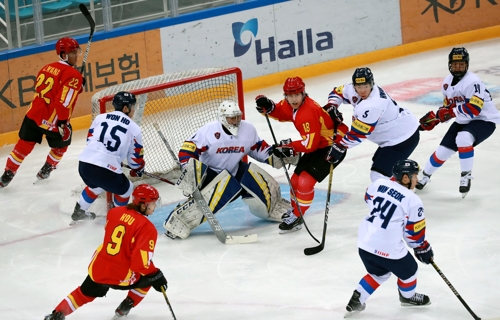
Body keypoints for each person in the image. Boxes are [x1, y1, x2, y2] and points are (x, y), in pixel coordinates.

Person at [163, 100, 297, 239]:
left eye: (238, 117)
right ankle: (179, 221)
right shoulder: (209, 131)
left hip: (233, 171)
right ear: (222, 118)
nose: (236, 121)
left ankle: (274, 207)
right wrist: (189, 171)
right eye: (232, 118)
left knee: (257, 177)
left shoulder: (248, 130)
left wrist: (279, 154)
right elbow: (187, 150)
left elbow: (261, 150)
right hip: (209, 175)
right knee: (224, 187)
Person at [44, 184, 167, 320]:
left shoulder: (114, 212)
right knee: (149, 279)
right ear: (143, 205)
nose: (155, 206)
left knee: (83, 293)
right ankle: (125, 306)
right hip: (121, 275)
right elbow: (140, 265)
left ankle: (56, 314)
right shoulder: (147, 228)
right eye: (153, 203)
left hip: (98, 268)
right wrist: (156, 275)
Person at [254, 77, 348, 233]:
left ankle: (298, 216)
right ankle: (295, 212)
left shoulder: (308, 112)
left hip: (332, 147)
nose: (293, 99)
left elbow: (309, 145)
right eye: (289, 96)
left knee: (304, 182)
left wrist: (288, 148)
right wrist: (269, 108)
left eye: (296, 95)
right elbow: (282, 112)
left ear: (303, 93)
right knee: (295, 181)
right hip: (318, 145)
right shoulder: (291, 104)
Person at [344, 159, 434, 318]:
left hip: (364, 243)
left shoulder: (378, 184)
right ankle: (407, 297)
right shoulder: (413, 201)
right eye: (414, 176)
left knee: (379, 273)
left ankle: (359, 296)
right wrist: (422, 248)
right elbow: (413, 234)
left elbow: (368, 198)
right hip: (387, 248)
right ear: (405, 178)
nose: (417, 180)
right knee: (410, 271)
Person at [0, 37, 84, 188]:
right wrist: (63, 123)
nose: (76, 56)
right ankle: (46, 170)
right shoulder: (73, 75)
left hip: (33, 114)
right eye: (72, 53)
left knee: (22, 146)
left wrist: (78, 85)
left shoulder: (47, 67)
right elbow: (63, 102)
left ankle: (7, 174)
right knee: (61, 146)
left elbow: (50, 90)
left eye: (76, 52)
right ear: (64, 55)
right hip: (53, 121)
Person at [416, 47, 500, 198]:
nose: (458, 67)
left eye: (461, 64)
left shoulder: (473, 82)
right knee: (442, 150)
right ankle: (426, 175)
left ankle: (465, 176)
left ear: (466, 64)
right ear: (450, 65)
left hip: (484, 120)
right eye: (455, 64)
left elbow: (474, 108)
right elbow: (448, 107)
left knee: (463, 138)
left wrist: (450, 112)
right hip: (464, 120)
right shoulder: (447, 83)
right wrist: (437, 117)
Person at [325, 67, 420, 182]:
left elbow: (358, 134)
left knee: (378, 176)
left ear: (372, 84)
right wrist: (332, 105)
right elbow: (337, 92)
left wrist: (341, 146)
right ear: (354, 86)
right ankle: (403, 183)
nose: (362, 91)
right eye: (359, 87)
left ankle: (401, 192)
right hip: (395, 133)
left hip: (402, 139)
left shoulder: (374, 104)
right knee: (380, 164)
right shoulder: (352, 88)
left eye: (366, 86)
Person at [71, 91, 145, 222]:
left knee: (96, 186)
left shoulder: (100, 118)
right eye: (133, 107)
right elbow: (134, 160)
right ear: (126, 108)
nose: (134, 110)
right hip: (105, 169)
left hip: (84, 165)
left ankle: (79, 212)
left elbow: (90, 140)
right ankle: (116, 217)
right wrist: (138, 168)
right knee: (127, 189)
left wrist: (112, 158)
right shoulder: (134, 128)